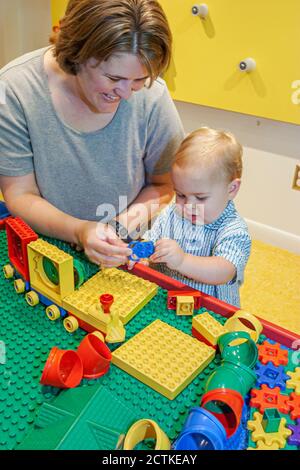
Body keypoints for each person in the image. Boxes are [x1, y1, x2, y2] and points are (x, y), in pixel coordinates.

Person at [0, 0, 184, 267]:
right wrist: (79, 230)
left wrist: (120, 226)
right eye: (113, 78)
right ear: (76, 53)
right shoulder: (14, 91)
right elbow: (20, 193)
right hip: (45, 250)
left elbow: (164, 184)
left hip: (128, 251)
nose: (125, 93)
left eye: (138, 80)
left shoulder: (152, 96)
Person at [142, 127, 251, 307]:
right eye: (181, 194)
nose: (188, 206)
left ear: (231, 189)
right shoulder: (172, 213)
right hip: (165, 299)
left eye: (200, 198)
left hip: (210, 311)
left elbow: (224, 270)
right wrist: (142, 255)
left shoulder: (234, 230)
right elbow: (151, 241)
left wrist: (182, 260)